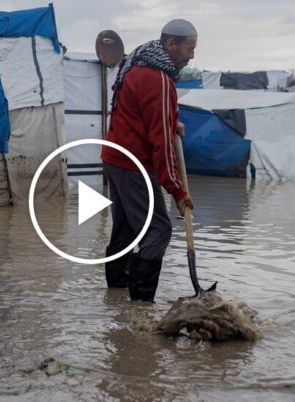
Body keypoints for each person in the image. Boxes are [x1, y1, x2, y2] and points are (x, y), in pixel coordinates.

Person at [101, 19, 197, 302]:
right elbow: (162, 145)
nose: (191, 56)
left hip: (114, 158)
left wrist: (171, 122)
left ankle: (115, 295)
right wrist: (177, 191)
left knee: (127, 230)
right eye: (189, 49)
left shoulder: (137, 64)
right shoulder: (160, 78)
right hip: (134, 165)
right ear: (170, 45)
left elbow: (140, 114)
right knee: (158, 230)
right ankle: (140, 308)